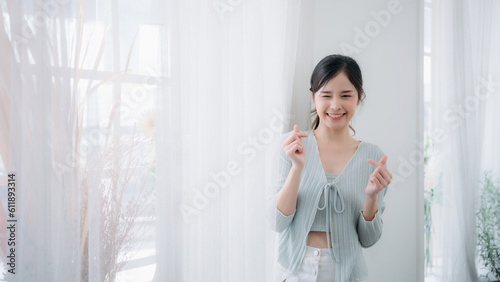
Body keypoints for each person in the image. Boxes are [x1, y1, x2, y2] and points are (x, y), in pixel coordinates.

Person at [267, 54, 393, 282]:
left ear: (359, 97)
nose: (335, 105)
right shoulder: (292, 146)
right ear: (313, 97)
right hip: (293, 270)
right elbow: (277, 222)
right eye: (326, 95)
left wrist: (371, 197)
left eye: (346, 95)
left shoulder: (372, 157)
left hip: (344, 273)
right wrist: (297, 168)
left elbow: (369, 239)